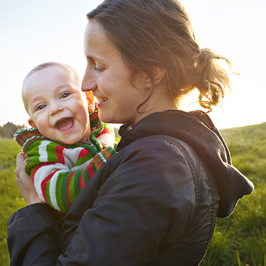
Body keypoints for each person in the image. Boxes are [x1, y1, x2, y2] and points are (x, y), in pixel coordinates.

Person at [7, 0, 254, 265]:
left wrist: (34, 206)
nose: (85, 83)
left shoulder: (156, 165)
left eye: (98, 66)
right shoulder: (148, 151)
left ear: (150, 73)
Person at [14, 62, 117, 214]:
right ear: (35, 125)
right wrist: (112, 161)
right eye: (41, 106)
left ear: (89, 100)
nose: (55, 108)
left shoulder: (102, 128)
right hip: (77, 230)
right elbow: (61, 195)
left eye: (64, 95)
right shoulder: (44, 153)